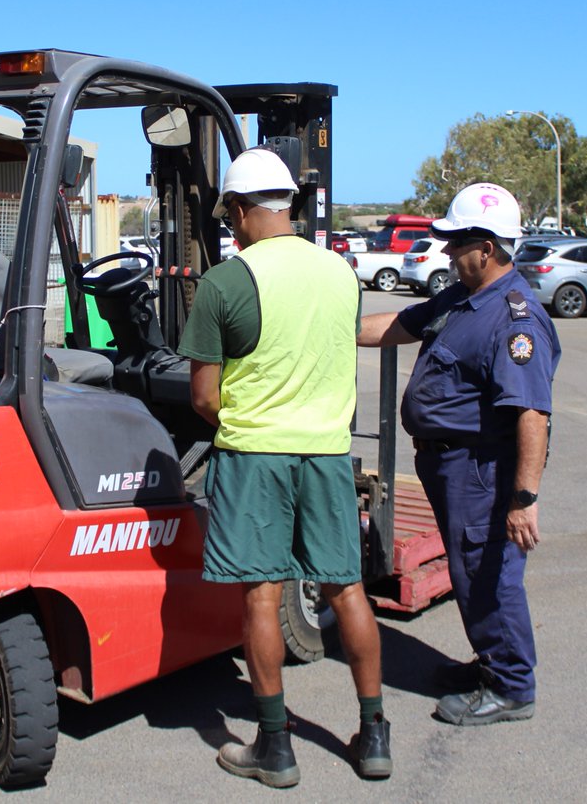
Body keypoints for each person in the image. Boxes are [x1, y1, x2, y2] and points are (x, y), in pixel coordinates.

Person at [179, 148, 390, 786]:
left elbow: (203, 397)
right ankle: (374, 732)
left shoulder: (225, 281)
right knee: (345, 589)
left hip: (255, 456)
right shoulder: (341, 273)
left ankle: (275, 747)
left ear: (241, 211)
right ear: (290, 206)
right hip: (326, 453)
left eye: (232, 214)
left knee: (262, 596)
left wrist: (242, 425)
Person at [357, 182, 560, 726]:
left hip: (482, 471)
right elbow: (399, 326)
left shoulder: (515, 320)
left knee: (489, 574)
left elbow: (532, 416)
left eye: (455, 243)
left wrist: (522, 499)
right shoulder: (462, 299)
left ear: (487, 248)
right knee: (472, 572)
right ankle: (492, 663)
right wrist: (327, 332)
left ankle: (512, 686)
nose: (446, 252)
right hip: (449, 466)